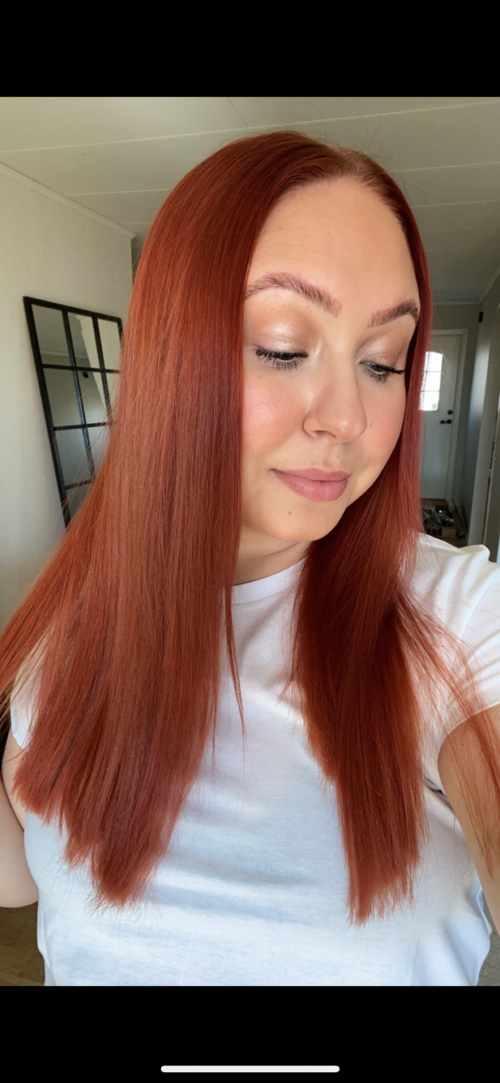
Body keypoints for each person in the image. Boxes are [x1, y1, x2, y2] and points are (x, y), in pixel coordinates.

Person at [1, 130, 500, 986]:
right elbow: (23, 878)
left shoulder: (454, 617)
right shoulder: (70, 624)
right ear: (167, 359)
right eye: (282, 346)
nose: (348, 417)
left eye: (384, 362)